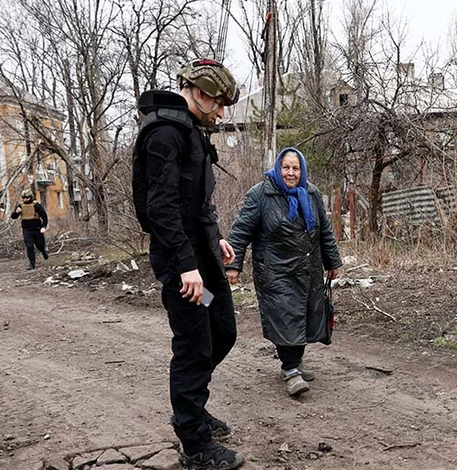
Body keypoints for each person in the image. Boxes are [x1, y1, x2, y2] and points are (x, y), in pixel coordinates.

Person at [131, 58, 244, 469]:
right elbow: (160, 208)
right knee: (194, 345)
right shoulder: (164, 134)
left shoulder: (191, 131)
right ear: (199, 92)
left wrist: (217, 239)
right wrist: (185, 266)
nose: (222, 111)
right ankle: (194, 443)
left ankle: (190, 408)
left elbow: (195, 201)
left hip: (202, 257)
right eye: (219, 102)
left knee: (222, 330)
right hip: (182, 264)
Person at [226, 147, 342, 397]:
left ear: (302, 170)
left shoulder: (311, 193)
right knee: (284, 315)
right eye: (286, 167)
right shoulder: (260, 194)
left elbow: (324, 231)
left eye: (295, 168)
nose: (290, 173)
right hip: (275, 270)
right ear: (278, 168)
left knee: (304, 316)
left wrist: (333, 262)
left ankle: (295, 362)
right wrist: (233, 265)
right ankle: (290, 369)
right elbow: (240, 231)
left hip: (307, 268)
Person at [11, 188, 48, 270]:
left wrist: (43, 226)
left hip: (37, 229)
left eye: (27, 198)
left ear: (31, 197)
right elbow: (13, 217)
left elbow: (44, 217)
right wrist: (16, 212)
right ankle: (32, 263)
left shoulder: (37, 205)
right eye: (24, 198)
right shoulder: (20, 206)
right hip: (26, 230)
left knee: (40, 245)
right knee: (29, 246)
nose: (25, 199)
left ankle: (43, 251)